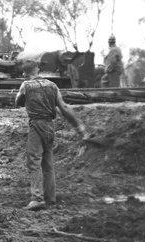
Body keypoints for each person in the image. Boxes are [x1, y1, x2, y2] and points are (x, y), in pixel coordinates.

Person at [15, 60, 90, 211]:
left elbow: (17, 101)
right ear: (38, 70)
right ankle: (50, 199)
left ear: (25, 73)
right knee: (48, 163)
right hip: (50, 125)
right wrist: (79, 126)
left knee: (34, 162)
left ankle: (37, 198)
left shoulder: (25, 85)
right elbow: (63, 107)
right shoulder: (52, 85)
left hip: (36, 125)